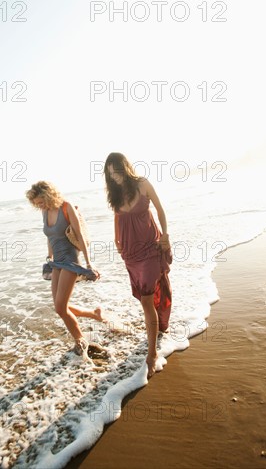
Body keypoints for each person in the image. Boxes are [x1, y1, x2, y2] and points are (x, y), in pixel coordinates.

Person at [104, 153, 172, 378]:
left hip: (151, 248)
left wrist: (166, 235)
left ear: (125, 167)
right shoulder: (114, 194)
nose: (115, 176)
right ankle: (159, 326)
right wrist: (116, 239)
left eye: (117, 170)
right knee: (147, 298)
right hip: (131, 254)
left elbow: (160, 210)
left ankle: (151, 354)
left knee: (145, 300)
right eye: (110, 173)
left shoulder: (143, 184)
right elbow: (117, 216)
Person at [26, 181, 102, 356]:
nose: (39, 206)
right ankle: (94, 314)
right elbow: (50, 236)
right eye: (36, 203)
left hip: (70, 260)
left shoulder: (67, 208)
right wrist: (49, 257)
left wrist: (89, 263)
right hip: (56, 261)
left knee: (61, 308)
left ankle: (81, 341)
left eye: (41, 202)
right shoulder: (44, 211)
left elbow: (80, 235)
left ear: (48, 196)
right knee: (60, 306)